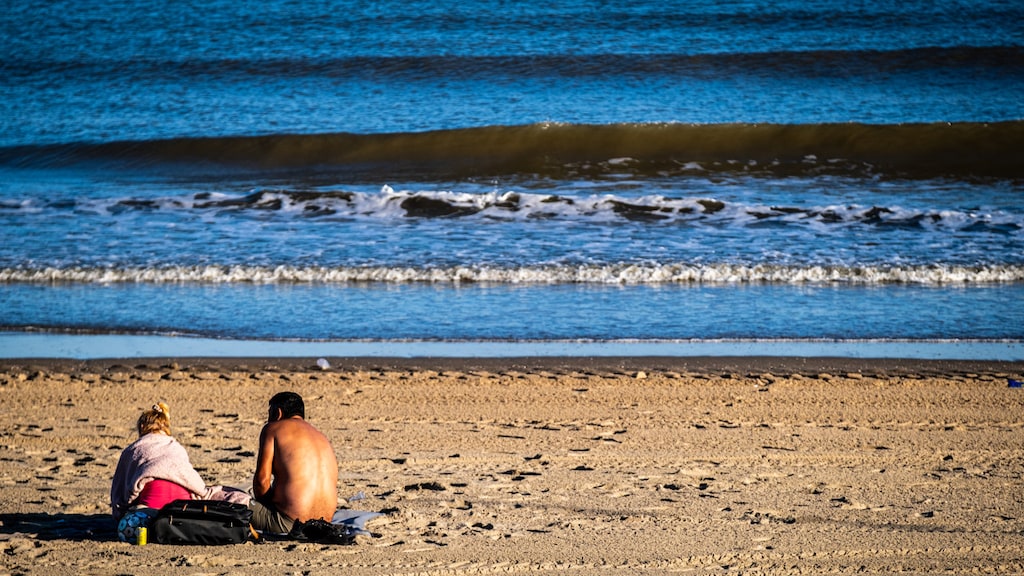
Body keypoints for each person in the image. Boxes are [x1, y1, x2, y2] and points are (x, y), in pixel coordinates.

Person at [110, 402, 248, 542]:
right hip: (183, 511)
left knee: (128, 527)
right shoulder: (176, 446)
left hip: (150, 510)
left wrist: (121, 514)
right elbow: (190, 479)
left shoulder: (133, 450)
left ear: (141, 427)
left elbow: (120, 494)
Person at [250, 391, 339, 534]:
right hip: (324, 524)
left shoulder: (273, 429)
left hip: (289, 523)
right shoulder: (320, 436)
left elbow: (262, 481)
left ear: (278, 413)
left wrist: (264, 508)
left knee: (225, 499)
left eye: (269, 413)